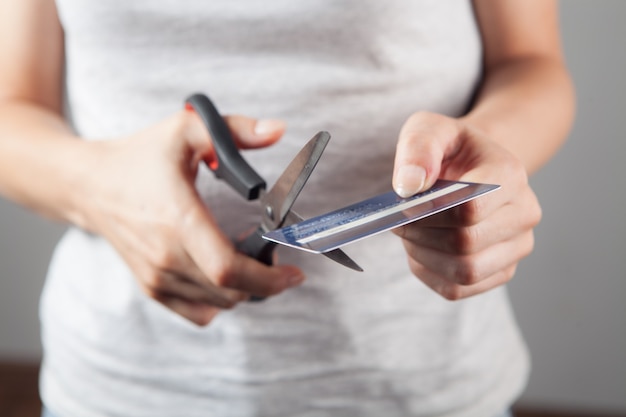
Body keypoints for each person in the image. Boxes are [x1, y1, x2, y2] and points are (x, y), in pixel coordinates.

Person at [0, 0, 574, 416]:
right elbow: (11, 109)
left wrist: (490, 158)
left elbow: (530, 62)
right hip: (123, 385)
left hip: (417, 382)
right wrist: (99, 188)